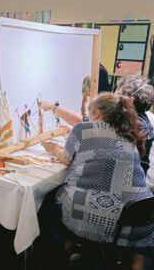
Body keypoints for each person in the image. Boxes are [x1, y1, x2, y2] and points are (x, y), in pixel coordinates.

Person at [41, 93, 154, 270]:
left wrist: (55, 148)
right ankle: (137, 261)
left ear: (98, 113)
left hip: (104, 222)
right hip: (140, 218)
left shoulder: (82, 130)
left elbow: (67, 158)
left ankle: (69, 247)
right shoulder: (127, 133)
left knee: (51, 199)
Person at [41, 75, 154, 174]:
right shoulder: (140, 119)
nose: (113, 97)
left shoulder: (126, 123)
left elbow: (70, 158)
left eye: (118, 94)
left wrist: (56, 148)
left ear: (130, 100)